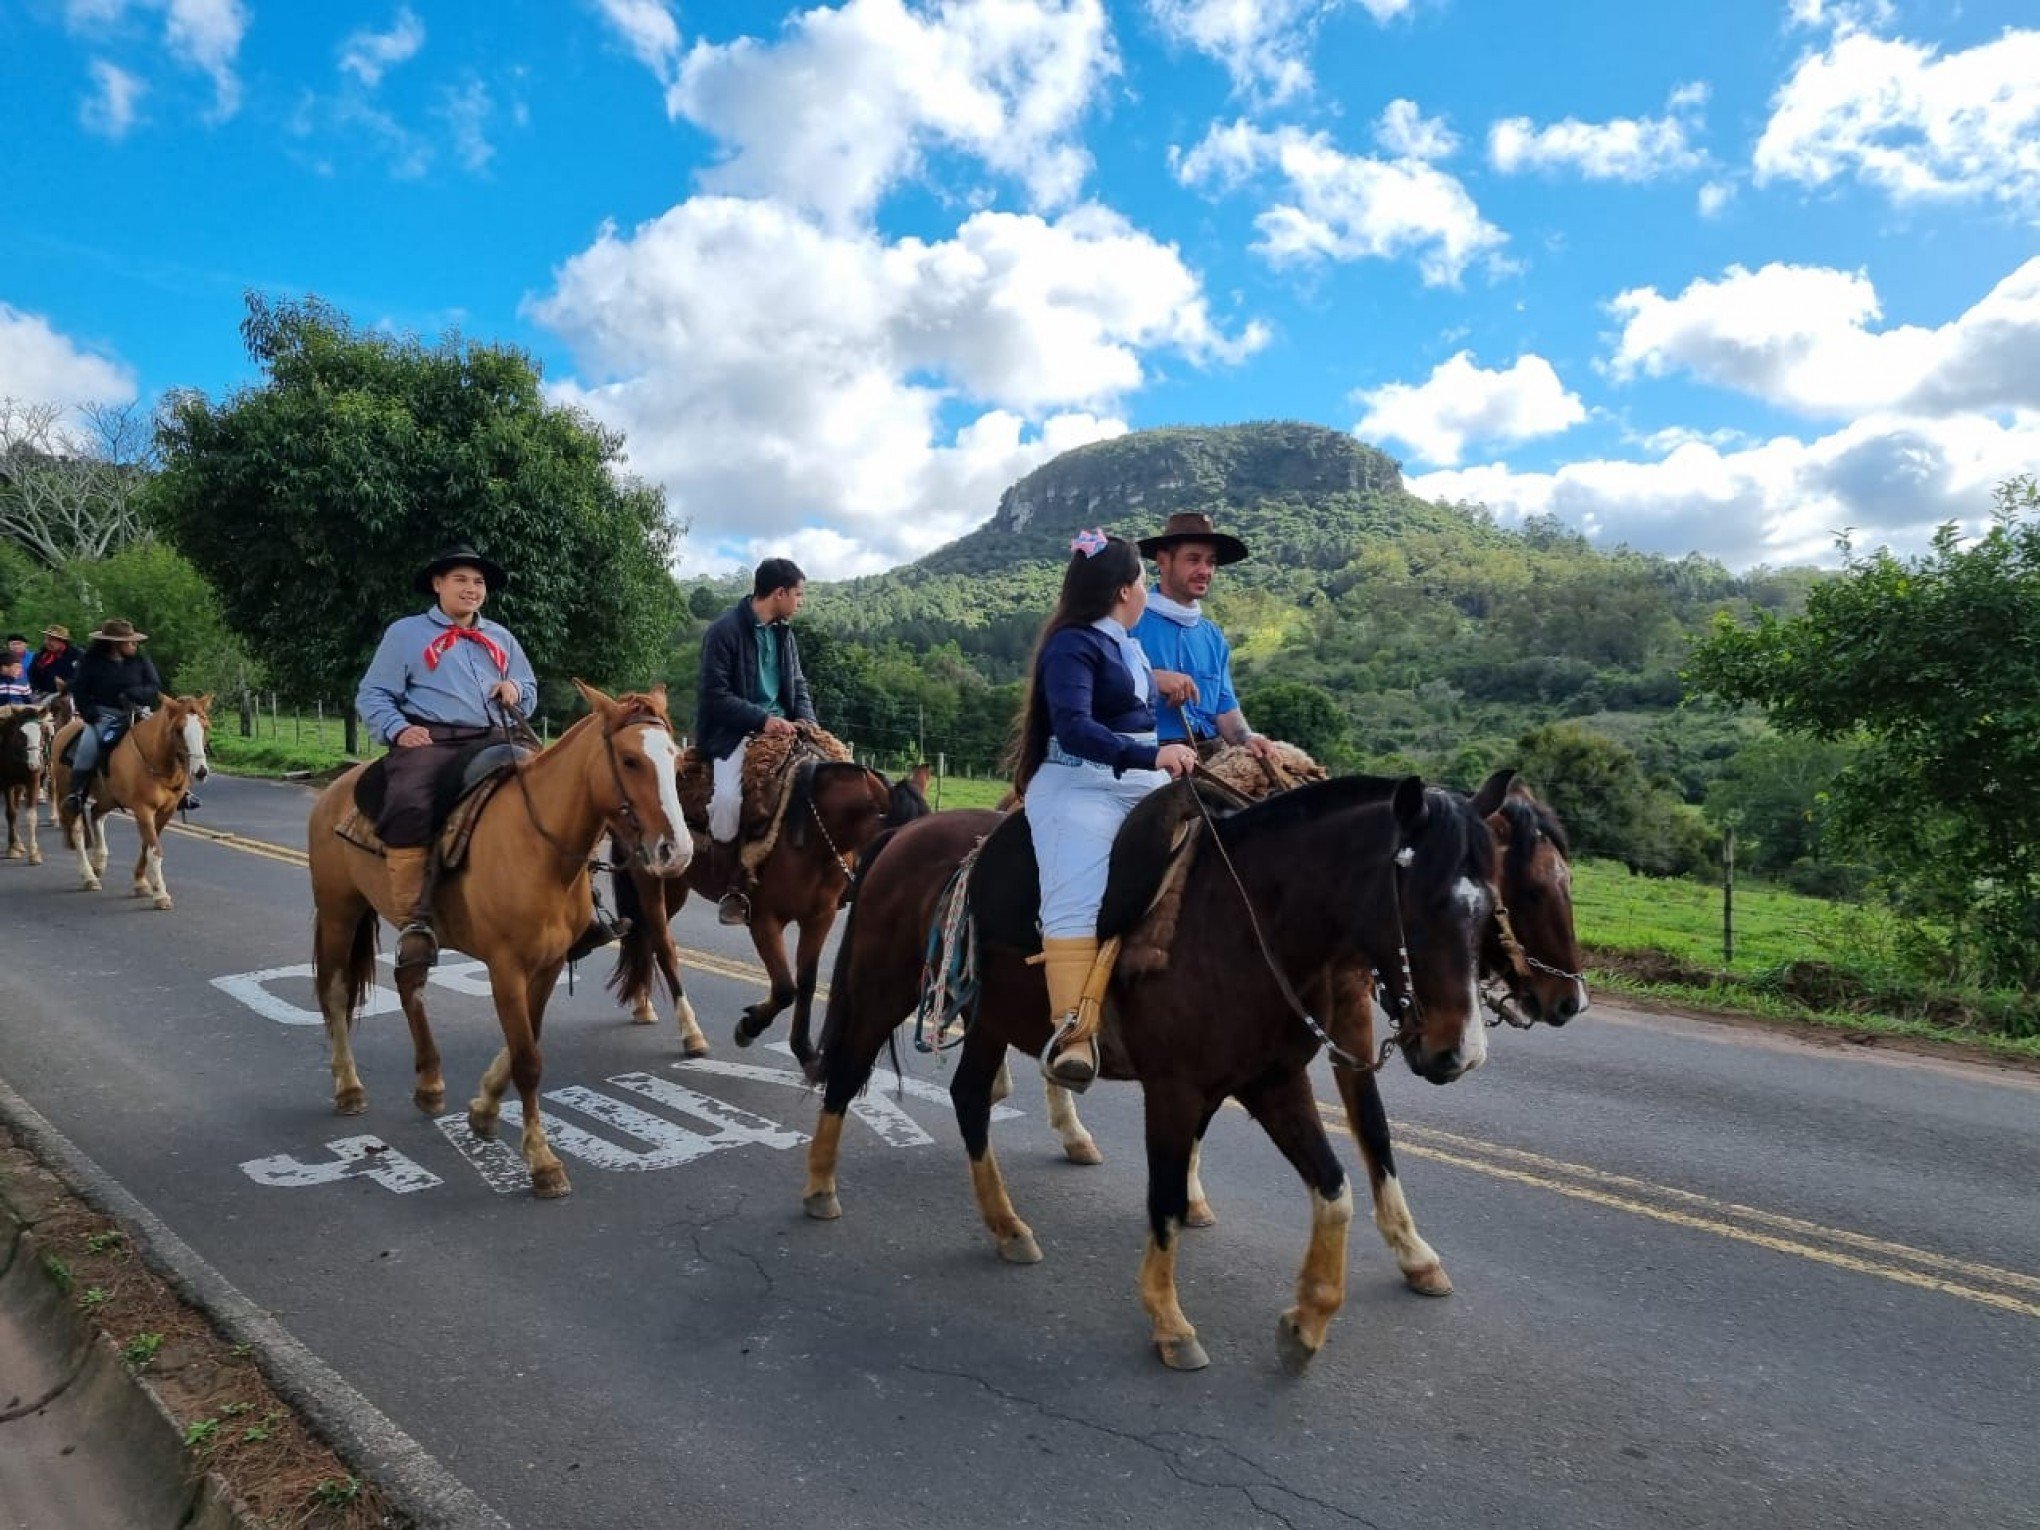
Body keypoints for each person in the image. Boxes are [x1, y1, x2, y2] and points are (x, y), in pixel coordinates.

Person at [1013, 530, 1197, 1090]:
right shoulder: (1071, 644)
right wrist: (1152, 752)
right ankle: (1072, 1034)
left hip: (1137, 779)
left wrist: (1161, 689)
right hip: (1078, 785)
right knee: (1078, 894)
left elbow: (1125, 695)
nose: (1145, 590)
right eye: (1142, 580)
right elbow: (1075, 726)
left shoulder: (1127, 643)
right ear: (1124, 590)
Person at [355, 545, 537, 971]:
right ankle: (415, 919)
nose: (471, 589)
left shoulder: (502, 638)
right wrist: (399, 729)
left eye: (478, 582)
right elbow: (373, 693)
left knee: (550, 792)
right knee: (410, 802)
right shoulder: (405, 634)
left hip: (495, 735)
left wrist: (515, 690)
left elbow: (528, 688)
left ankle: (579, 905)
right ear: (438, 584)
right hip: (432, 742)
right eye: (460, 579)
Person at [694, 557, 817, 926]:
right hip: (735, 734)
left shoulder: (784, 634)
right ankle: (732, 886)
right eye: (798, 594)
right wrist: (763, 719)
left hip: (787, 730)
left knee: (829, 782)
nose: (800, 601)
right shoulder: (724, 631)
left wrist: (808, 722)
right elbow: (714, 696)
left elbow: (797, 685)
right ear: (778, 593)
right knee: (728, 802)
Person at [1133, 512, 1281, 764]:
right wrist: (1150, 679)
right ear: (1163, 560)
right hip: (1151, 757)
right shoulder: (1130, 621)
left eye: (1211, 562)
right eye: (1193, 560)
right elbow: (1096, 688)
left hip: (1212, 756)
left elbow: (1224, 706)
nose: (1205, 571)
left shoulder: (1212, 635)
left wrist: (1247, 737)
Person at [63, 618, 163, 812]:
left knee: (170, 739)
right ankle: (76, 794)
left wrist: (135, 693)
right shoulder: (91, 663)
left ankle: (182, 790)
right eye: (130, 641)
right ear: (115, 644)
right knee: (86, 748)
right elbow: (80, 689)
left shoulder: (141, 661)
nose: (134, 644)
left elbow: (153, 686)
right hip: (104, 716)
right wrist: (89, 713)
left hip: (138, 712)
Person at [28, 625, 77, 697]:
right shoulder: (41, 655)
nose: (47, 642)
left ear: (62, 641)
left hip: (70, 695)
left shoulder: (77, 655)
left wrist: (66, 685)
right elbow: (32, 675)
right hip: (44, 695)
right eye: (46, 639)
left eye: (51, 639)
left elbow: (82, 677)